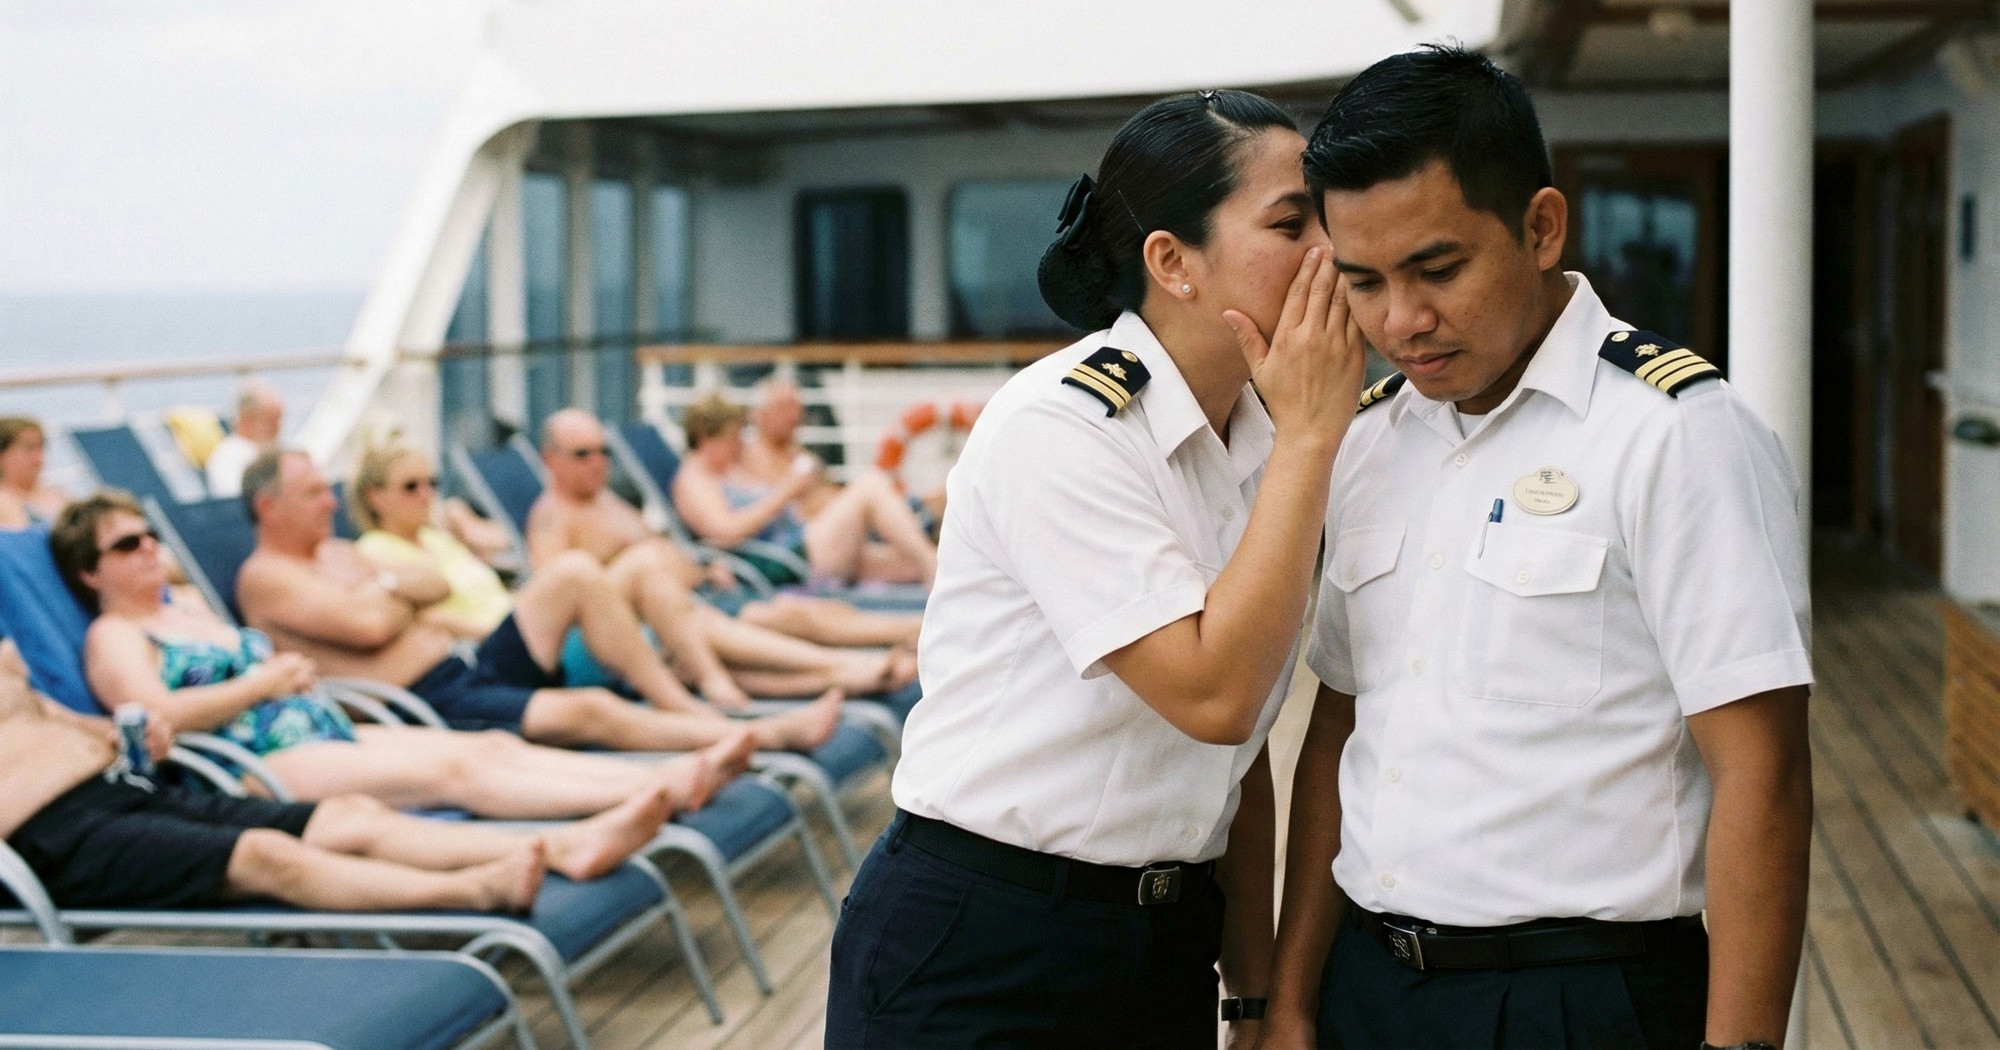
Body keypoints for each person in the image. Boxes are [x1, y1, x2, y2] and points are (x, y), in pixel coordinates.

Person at [1263, 46, 1812, 1050]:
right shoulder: (1368, 441)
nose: (1401, 321)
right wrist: (1290, 1000)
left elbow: (1761, 770)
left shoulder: (1674, 432)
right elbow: (1338, 727)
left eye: (1436, 269)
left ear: (1540, 226)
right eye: (1364, 282)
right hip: (1364, 987)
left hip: (1579, 1001)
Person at [824, 89, 1364, 1048]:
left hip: (1159, 946)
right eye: (1293, 221)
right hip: (983, 939)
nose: (1332, 246)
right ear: (1172, 263)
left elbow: (1229, 771)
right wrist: (1314, 439)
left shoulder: (1258, 442)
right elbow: (1217, 697)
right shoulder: (1067, 426)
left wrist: (1249, 999)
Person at [53, 491, 750, 856]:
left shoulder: (192, 610)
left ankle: (661, 781)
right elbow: (155, 721)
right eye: (126, 544)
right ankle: (632, 800)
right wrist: (261, 685)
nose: (149, 547)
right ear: (91, 571)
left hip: (318, 724)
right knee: (456, 777)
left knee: (491, 748)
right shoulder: (114, 635)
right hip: (260, 762)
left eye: (148, 534)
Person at [234, 448, 840, 754]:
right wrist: (393, 593)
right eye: (314, 494)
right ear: (269, 507)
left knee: (577, 574)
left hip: (464, 661)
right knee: (592, 709)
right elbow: (369, 627)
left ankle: (684, 704)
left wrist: (389, 593)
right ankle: (752, 737)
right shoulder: (267, 576)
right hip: (426, 700)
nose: (329, 503)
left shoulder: (337, 555)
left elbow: (431, 586)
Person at [3, 641, 630, 915]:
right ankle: (471, 892)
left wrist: (109, 734)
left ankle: (567, 846)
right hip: (46, 840)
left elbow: (60, 721)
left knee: (351, 814)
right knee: (270, 856)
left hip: (121, 789)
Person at [527, 408, 923, 653]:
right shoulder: (552, 518)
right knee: (797, 619)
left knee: (818, 611)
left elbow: (660, 550)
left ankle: (911, 633)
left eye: (604, 451)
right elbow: (559, 600)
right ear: (551, 459)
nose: (598, 462)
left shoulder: (606, 500)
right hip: (672, 618)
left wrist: (701, 570)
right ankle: (894, 647)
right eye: (583, 454)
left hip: (703, 588)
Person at [674, 393, 937, 588]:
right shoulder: (693, 482)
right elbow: (726, 531)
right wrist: (786, 493)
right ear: (706, 438)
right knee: (870, 486)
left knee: (910, 562)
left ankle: (937, 574)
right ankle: (932, 568)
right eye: (732, 438)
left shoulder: (724, 470)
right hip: (786, 559)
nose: (738, 446)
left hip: (802, 541)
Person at [206, 380, 283, 498]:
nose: (278, 429)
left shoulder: (266, 451)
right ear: (247, 420)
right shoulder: (228, 456)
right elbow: (235, 500)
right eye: (271, 421)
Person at [0, 416, 69, 528]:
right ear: (2, 456)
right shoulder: (3, 502)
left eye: (41, 448)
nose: (39, 459)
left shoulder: (60, 496)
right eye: (28, 449)